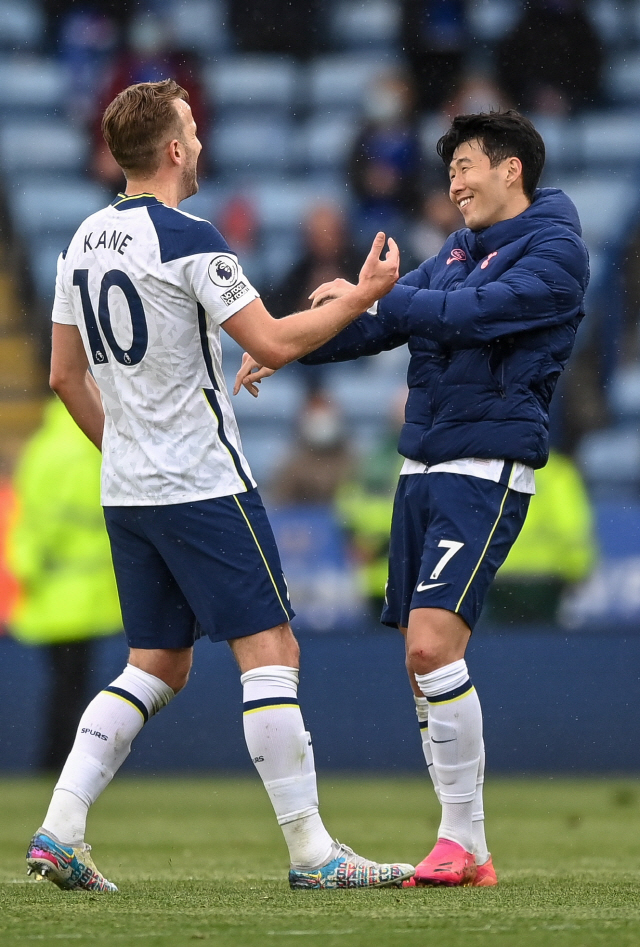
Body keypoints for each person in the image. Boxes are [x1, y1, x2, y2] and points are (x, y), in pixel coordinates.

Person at [26, 79, 411, 894]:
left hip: (129, 491)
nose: (199, 143)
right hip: (203, 480)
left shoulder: (80, 241)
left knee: (158, 663)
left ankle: (60, 827)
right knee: (271, 652)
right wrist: (368, 297)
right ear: (171, 149)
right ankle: (313, 852)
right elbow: (271, 337)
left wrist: (125, 447)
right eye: (192, 131)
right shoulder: (191, 239)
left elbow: (63, 376)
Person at [236, 110, 589, 887]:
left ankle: (463, 839)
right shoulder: (462, 250)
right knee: (420, 660)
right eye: (452, 169)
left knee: (432, 646)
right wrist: (286, 344)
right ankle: (468, 848)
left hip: (485, 465)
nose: (454, 182)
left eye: (465, 165)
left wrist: (374, 298)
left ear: (511, 170)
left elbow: (466, 316)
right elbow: (377, 325)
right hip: (423, 466)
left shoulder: (557, 251)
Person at [7, 399, 122, 771]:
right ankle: (67, 762)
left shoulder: (42, 447)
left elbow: (30, 517)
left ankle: (59, 761)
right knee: (74, 687)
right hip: (83, 590)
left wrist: (30, 566)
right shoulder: (92, 445)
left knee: (64, 686)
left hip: (50, 587)